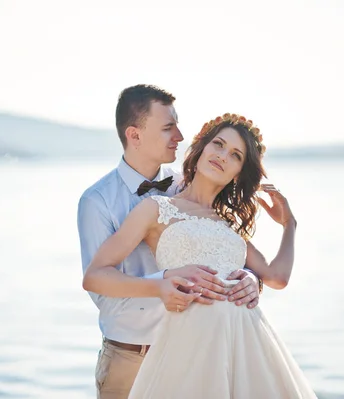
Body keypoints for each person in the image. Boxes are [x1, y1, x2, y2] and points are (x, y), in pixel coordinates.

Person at [83, 113, 317, 398]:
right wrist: (161, 284)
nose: (222, 155)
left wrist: (288, 226)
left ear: (239, 173)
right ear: (202, 147)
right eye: (218, 144)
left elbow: (276, 277)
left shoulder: (229, 222)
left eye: (235, 155)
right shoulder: (156, 209)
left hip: (246, 345)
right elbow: (94, 277)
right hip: (189, 350)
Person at [77, 85, 262, 398]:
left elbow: (229, 249)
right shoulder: (97, 201)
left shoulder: (189, 182)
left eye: (177, 125)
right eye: (168, 127)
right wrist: (161, 284)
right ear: (134, 135)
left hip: (196, 356)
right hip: (131, 357)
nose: (179, 135)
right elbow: (98, 285)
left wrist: (251, 279)